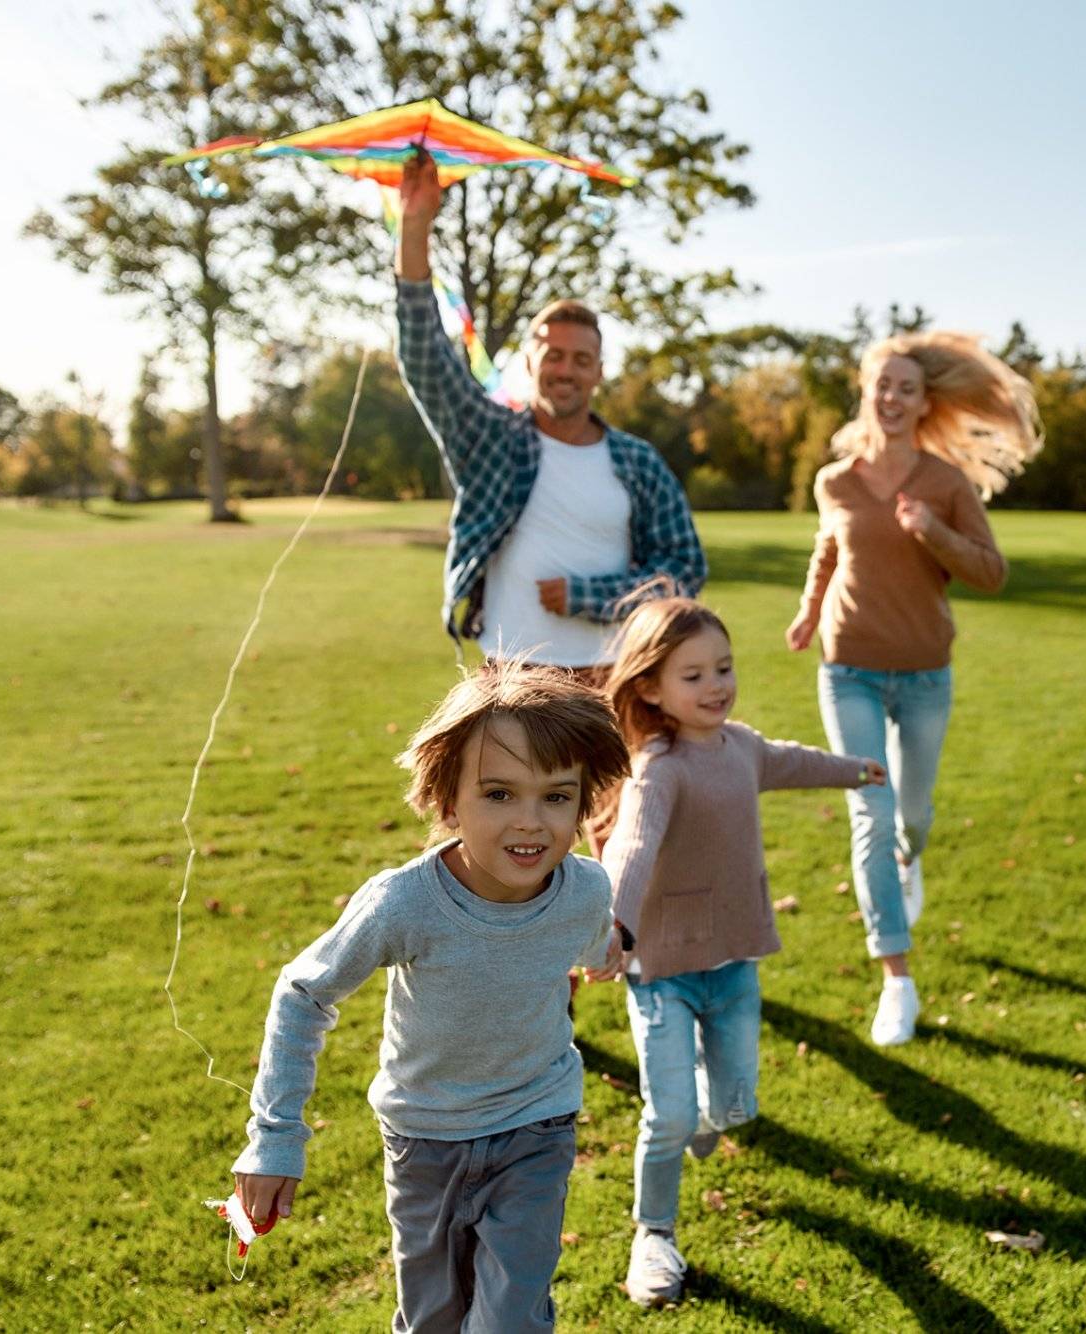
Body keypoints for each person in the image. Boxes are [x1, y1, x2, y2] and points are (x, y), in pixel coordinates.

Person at [230, 662, 631, 1332]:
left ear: (585, 801)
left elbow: (592, 937)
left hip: (537, 1126)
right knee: (433, 1319)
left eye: (556, 797)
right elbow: (304, 994)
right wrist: (275, 1139)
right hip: (426, 1141)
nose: (530, 824)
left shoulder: (586, 888)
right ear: (448, 803)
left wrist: (607, 953)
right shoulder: (404, 905)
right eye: (499, 794)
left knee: (510, 1319)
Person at [594, 597, 885, 1307]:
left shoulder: (742, 747)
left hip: (733, 962)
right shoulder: (657, 770)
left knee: (733, 1108)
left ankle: (704, 1107)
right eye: (693, 675)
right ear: (650, 688)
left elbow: (790, 762)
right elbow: (630, 849)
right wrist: (616, 927)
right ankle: (653, 1236)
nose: (716, 685)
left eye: (723, 667)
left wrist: (855, 769)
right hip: (661, 969)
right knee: (665, 1117)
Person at [785, 332, 1041, 1047]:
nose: (892, 399)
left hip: (925, 674)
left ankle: (912, 853)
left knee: (911, 816)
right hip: (849, 671)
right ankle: (897, 977)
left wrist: (933, 533)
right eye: (882, 386)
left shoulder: (944, 484)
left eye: (907, 389)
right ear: (865, 394)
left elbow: (991, 571)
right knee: (870, 812)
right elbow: (828, 548)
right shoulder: (833, 480)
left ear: (924, 403)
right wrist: (809, 611)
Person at [394, 151, 705, 678]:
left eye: (581, 359)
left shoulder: (637, 461)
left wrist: (592, 596)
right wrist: (415, 225)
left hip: (618, 674)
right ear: (529, 363)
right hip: (512, 675)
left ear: (599, 372)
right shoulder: (490, 438)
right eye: (553, 356)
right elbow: (425, 354)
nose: (566, 370)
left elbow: (685, 566)